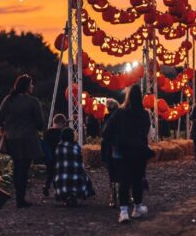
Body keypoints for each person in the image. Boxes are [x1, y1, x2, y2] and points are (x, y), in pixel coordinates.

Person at [103, 85, 152, 223]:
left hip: (122, 151)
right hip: (139, 151)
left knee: (124, 180)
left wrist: (114, 142)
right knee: (137, 179)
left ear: (128, 96)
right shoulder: (145, 114)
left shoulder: (120, 113)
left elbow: (106, 131)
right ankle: (137, 207)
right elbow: (146, 132)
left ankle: (123, 212)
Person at [0, 74, 45, 208]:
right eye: (31, 84)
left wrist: (6, 126)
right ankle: (20, 199)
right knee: (24, 168)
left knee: (17, 166)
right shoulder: (33, 102)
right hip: (28, 138)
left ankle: (18, 197)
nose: (33, 86)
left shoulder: (8, 100)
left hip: (11, 138)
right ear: (27, 86)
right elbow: (40, 123)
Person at [53, 127, 96, 206]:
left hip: (60, 180)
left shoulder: (58, 147)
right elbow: (80, 163)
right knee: (84, 177)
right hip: (77, 180)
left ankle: (66, 196)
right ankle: (75, 195)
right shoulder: (76, 147)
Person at [101, 98, 121, 208]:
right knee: (122, 172)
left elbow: (104, 137)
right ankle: (125, 195)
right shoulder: (123, 117)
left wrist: (103, 155)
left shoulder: (107, 119)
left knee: (112, 174)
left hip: (110, 149)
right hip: (121, 148)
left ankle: (113, 197)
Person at [42, 114, 67, 197]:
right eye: (63, 124)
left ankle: (46, 186)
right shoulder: (61, 133)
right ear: (60, 123)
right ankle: (57, 190)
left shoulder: (47, 132)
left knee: (50, 173)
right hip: (58, 156)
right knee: (58, 174)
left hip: (48, 156)